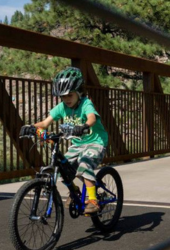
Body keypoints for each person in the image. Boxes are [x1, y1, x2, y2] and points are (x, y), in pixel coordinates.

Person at [20, 67, 108, 214]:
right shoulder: (61, 107)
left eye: (69, 95)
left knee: (84, 165)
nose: (66, 99)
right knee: (62, 169)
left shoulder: (86, 104)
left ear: (79, 92)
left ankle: (93, 200)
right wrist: (31, 127)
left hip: (95, 142)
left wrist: (84, 126)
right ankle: (75, 192)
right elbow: (45, 123)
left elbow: (92, 118)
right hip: (78, 144)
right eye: (63, 96)